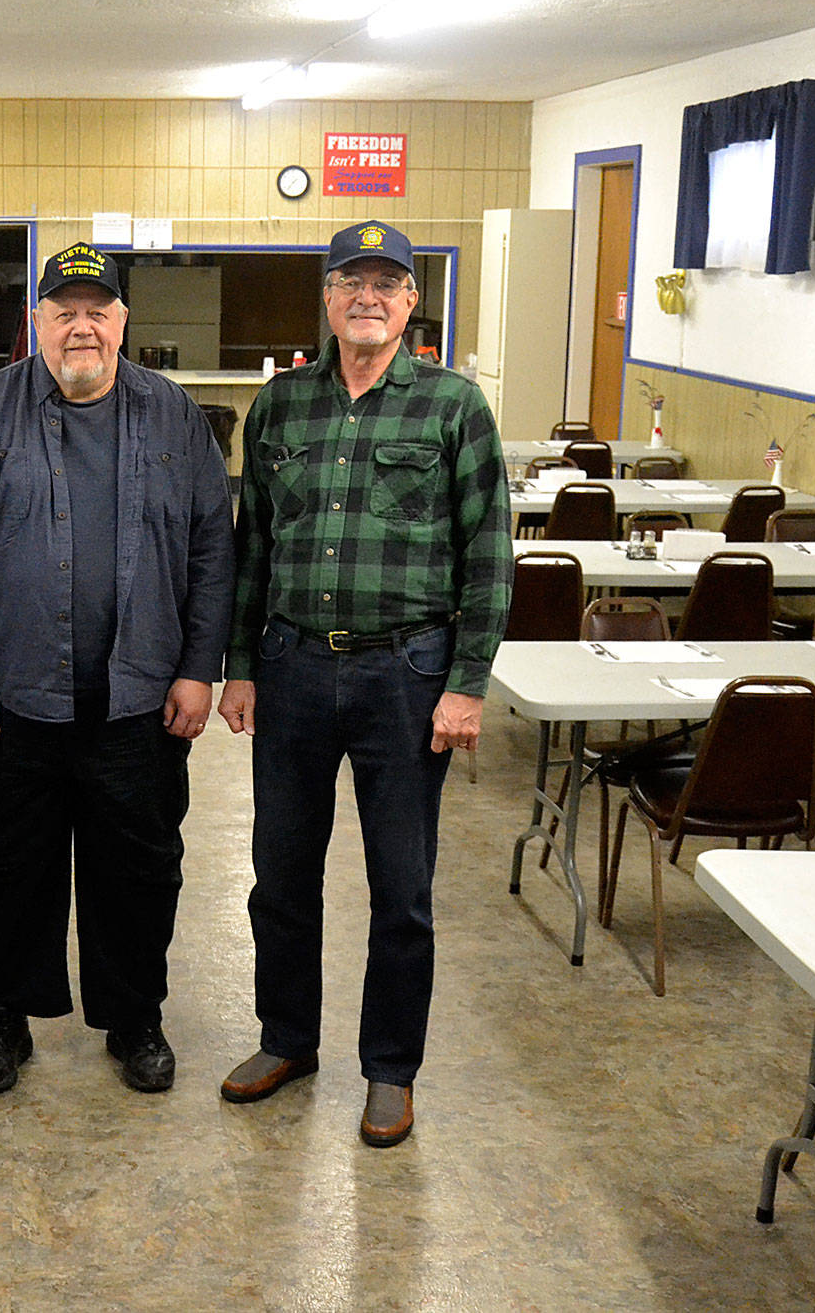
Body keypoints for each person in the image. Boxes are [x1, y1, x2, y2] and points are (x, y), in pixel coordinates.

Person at [216, 221, 512, 1148]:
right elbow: (253, 548)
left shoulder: (454, 406)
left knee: (402, 889)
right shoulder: (280, 407)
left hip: (407, 677)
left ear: (411, 300)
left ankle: (390, 1068)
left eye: (387, 283)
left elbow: (489, 555)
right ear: (329, 296)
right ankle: (286, 1039)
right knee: (280, 876)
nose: (368, 297)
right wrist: (239, 665)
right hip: (293, 668)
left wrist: (467, 684)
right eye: (352, 281)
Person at [0, 242, 234, 1097]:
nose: (82, 327)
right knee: (5, 871)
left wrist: (199, 667)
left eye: (99, 311)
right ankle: (1, 1017)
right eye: (65, 312)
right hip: (13, 701)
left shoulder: (173, 415)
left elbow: (213, 544)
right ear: (39, 321)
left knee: (138, 871)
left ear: (122, 322)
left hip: (140, 701)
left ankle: (136, 1017)